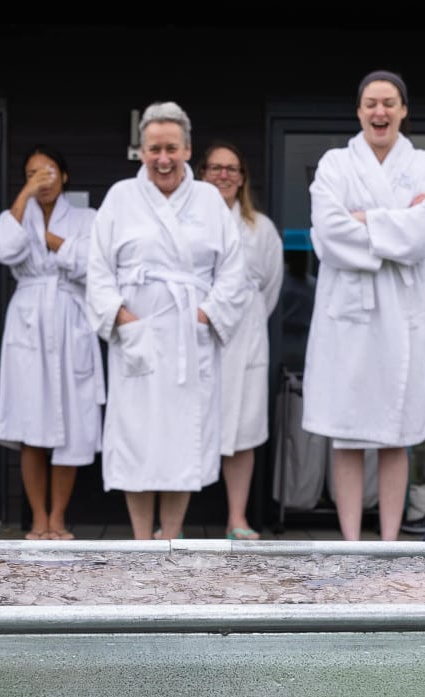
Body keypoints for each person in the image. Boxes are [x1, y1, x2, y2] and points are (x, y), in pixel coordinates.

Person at [86, 103, 252, 540]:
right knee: (138, 438)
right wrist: (122, 318)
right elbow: (97, 268)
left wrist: (206, 315)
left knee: (183, 438)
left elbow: (234, 270)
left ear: (187, 149)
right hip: (136, 333)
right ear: (141, 150)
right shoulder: (121, 197)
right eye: (154, 148)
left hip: (188, 338)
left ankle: (172, 535)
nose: (163, 158)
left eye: (171, 148)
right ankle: (142, 541)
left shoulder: (208, 201)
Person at [303, 70, 425, 541]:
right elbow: (327, 233)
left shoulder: (424, 163)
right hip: (347, 313)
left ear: (403, 109)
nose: (379, 112)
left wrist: (365, 219)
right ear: (359, 110)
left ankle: (388, 542)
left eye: (389, 102)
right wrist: (398, 226)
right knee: (346, 430)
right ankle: (350, 541)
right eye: (370, 103)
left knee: (396, 433)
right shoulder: (334, 163)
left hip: (402, 313)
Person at [0, 147, 100, 539]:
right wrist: (24, 196)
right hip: (28, 322)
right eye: (33, 173)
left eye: (48, 171)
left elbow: (94, 263)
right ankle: (38, 518)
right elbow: (3, 249)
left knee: (69, 423)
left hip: (70, 318)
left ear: (64, 176)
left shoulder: (88, 218)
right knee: (31, 422)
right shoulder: (16, 216)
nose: (42, 179)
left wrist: (55, 242)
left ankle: (58, 518)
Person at [200, 141, 283, 540]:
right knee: (185, 424)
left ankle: (237, 518)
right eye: (216, 168)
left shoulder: (260, 228)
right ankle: (174, 521)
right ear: (202, 174)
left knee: (244, 430)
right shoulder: (190, 223)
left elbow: (269, 288)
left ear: (242, 178)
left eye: (232, 169)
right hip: (199, 333)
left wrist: (242, 317)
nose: (224, 175)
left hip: (246, 335)